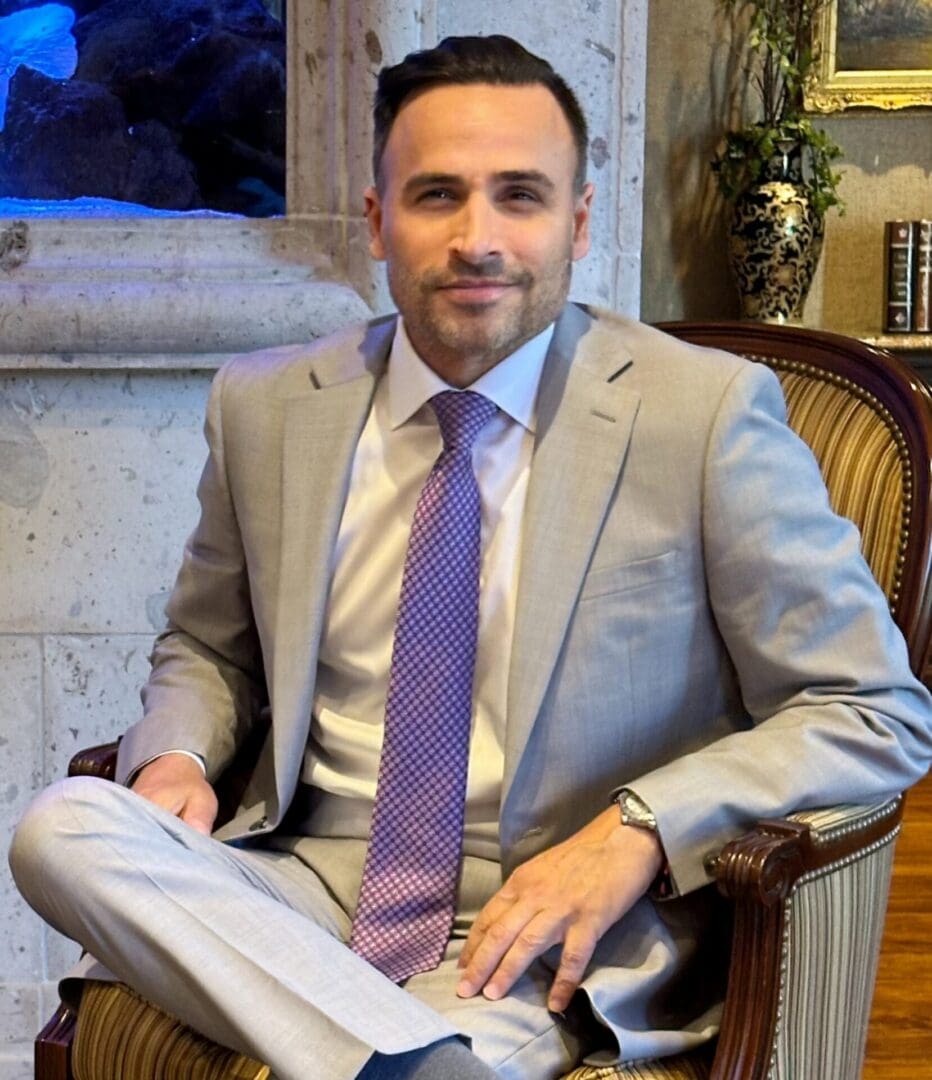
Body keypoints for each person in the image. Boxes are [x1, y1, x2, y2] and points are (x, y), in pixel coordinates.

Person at [10, 34, 932, 1080]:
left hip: (536, 926)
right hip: (297, 889)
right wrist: (175, 754)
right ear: (376, 220)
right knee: (61, 828)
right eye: (436, 195)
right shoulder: (268, 408)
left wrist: (634, 829)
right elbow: (207, 648)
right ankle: (409, 1059)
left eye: (520, 197)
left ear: (577, 222)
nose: (476, 238)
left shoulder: (701, 417)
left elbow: (870, 708)